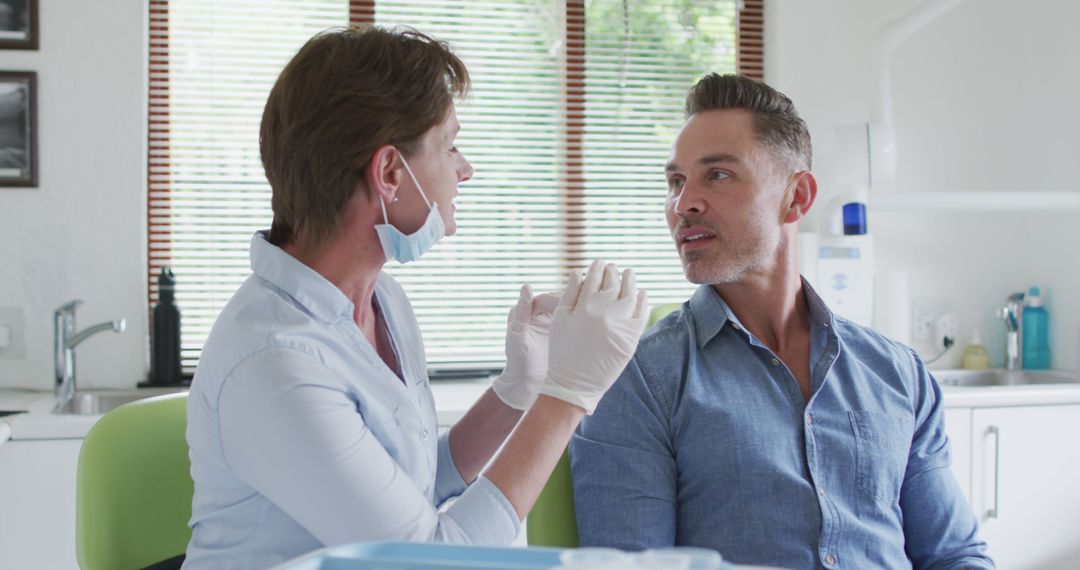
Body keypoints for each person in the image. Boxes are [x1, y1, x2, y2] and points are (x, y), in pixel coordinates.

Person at [183, 26, 648, 569]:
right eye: (449, 146)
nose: (464, 169)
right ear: (388, 172)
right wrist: (568, 397)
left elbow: (418, 484)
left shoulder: (382, 300)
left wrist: (517, 392)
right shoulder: (274, 361)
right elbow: (426, 560)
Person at [569, 73, 993, 569]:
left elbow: (954, 555)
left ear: (798, 197)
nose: (683, 204)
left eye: (718, 174)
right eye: (676, 182)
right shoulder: (638, 378)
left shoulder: (897, 372)